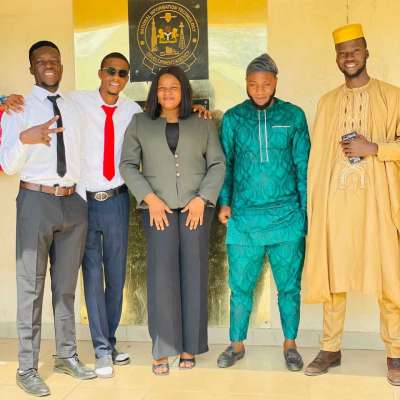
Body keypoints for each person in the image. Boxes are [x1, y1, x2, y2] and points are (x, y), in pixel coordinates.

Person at [303, 24, 400, 386]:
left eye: (355, 50)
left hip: (379, 203)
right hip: (337, 203)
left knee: (390, 278)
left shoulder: (393, 96)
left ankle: (396, 351)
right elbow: (318, 159)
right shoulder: (327, 102)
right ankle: (330, 348)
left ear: (366, 52)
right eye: (342, 52)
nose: (349, 57)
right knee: (334, 275)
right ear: (336, 58)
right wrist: (317, 205)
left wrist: (374, 148)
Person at [0, 41, 96, 397]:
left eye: (54, 60)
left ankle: (66, 355)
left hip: (72, 204)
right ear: (32, 68)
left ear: (61, 65)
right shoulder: (18, 109)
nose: (49, 65)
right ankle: (26, 368)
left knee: (66, 288)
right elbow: (8, 164)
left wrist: (80, 199)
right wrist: (26, 139)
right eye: (41, 61)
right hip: (35, 201)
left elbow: (81, 156)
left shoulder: (72, 107)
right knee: (31, 287)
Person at [120, 65, 226, 375]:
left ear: (184, 92)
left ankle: (190, 346)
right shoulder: (140, 123)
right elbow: (127, 165)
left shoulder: (203, 123)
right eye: (162, 87)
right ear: (155, 93)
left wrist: (202, 199)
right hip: (158, 211)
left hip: (196, 210)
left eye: (174, 87)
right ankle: (163, 348)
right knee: (161, 277)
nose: (167, 92)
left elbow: (217, 164)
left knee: (194, 274)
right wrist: (149, 199)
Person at [216, 53, 310, 371]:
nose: (259, 90)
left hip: (287, 217)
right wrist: (225, 202)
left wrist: (305, 212)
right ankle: (236, 344)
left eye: (266, 84)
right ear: (245, 83)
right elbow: (225, 164)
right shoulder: (233, 118)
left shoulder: (293, 116)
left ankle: (290, 344)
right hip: (244, 219)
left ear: (275, 83)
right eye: (253, 84)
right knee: (240, 286)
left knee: (289, 287)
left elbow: (303, 166)